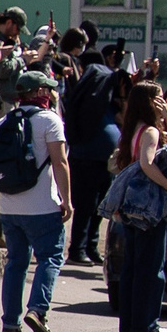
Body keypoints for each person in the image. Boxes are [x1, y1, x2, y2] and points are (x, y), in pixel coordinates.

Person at [0, 69, 73, 332]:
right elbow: (60, 162)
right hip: (43, 206)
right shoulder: (50, 120)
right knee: (50, 257)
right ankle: (37, 310)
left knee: (16, 263)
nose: (50, 94)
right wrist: (67, 200)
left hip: (10, 208)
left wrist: (0, 199)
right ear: (39, 93)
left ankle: (10, 324)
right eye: (47, 89)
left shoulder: (3, 122)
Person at [106, 81, 167, 332]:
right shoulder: (150, 131)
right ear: (151, 102)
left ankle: (130, 324)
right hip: (148, 205)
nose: (164, 103)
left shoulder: (131, 130)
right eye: (160, 99)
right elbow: (148, 164)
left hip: (130, 205)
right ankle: (146, 324)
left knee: (133, 266)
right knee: (151, 267)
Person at [59, 28, 120, 272]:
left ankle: (92, 246)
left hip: (104, 160)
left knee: (99, 206)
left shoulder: (107, 102)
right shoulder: (89, 103)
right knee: (85, 205)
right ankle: (78, 249)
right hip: (87, 158)